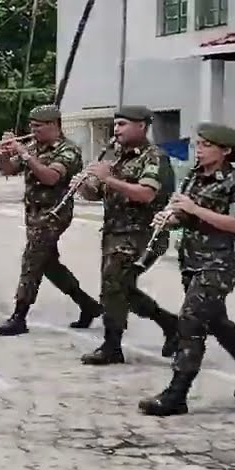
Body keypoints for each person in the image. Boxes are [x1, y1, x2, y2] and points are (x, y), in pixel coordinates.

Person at [139, 123, 235, 415]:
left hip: (219, 263)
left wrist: (193, 209)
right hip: (191, 260)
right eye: (199, 144)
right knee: (217, 323)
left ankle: (176, 394)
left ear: (226, 151)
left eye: (206, 145)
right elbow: (187, 216)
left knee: (190, 321)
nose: (199, 150)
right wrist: (172, 218)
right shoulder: (194, 177)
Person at [75, 105, 179, 365]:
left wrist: (108, 178)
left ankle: (112, 345)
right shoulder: (119, 157)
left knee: (114, 288)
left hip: (142, 234)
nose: (116, 129)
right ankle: (170, 324)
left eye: (122, 124)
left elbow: (146, 194)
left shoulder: (154, 157)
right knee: (122, 288)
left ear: (141, 126)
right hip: (115, 233)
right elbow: (98, 194)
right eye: (116, 124)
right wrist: (84, 185)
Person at [0, 105, 102, 336]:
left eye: (38, 126)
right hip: (33, 212)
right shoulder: (35, 146)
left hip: (54, 213)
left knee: (31, 260)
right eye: (32, 126)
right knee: (49, 265)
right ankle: (88, 305)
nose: (33, 130)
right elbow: (9, 170)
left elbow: (51, 177)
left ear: (54, 125)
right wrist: (3, 155)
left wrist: (24, 154)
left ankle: (19, 316)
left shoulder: (68, 150)